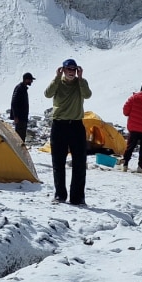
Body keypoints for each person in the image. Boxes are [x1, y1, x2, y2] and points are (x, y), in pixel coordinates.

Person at [44, 58, 92, 205]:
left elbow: (87, 95)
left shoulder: (80, 83)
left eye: (73, 69)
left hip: (76, 126)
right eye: (68, 69)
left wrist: (81, 78)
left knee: (79, 163)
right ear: (63, 70)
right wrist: (57, 77)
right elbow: (47, 94)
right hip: (59, 126)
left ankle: (77, 198)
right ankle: (60, 195)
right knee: (58, 162)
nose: (71, 72)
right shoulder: (58, 82)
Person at [9, 72, 35, 142]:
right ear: (26, 80)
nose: (31, 81)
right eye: (30, 80)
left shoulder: (23, 88)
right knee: (19, 137)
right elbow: (14, 103)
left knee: (22, 136)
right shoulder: (19, 88)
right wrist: (16, 116)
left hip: (23, 117)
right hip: (20, 118)